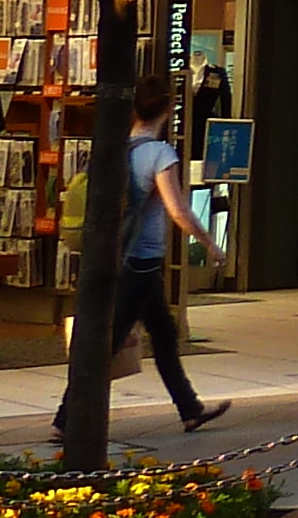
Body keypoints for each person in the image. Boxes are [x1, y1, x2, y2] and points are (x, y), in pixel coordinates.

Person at [55, 82, 229, 442]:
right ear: (166, 112)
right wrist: (211, 244)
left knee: (164, 335)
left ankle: (190, 408)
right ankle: (65, 418)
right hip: (142, 260)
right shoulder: (160, 154)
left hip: (122, 254)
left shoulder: (117, 147)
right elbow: (178, 210)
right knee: (110, 340)